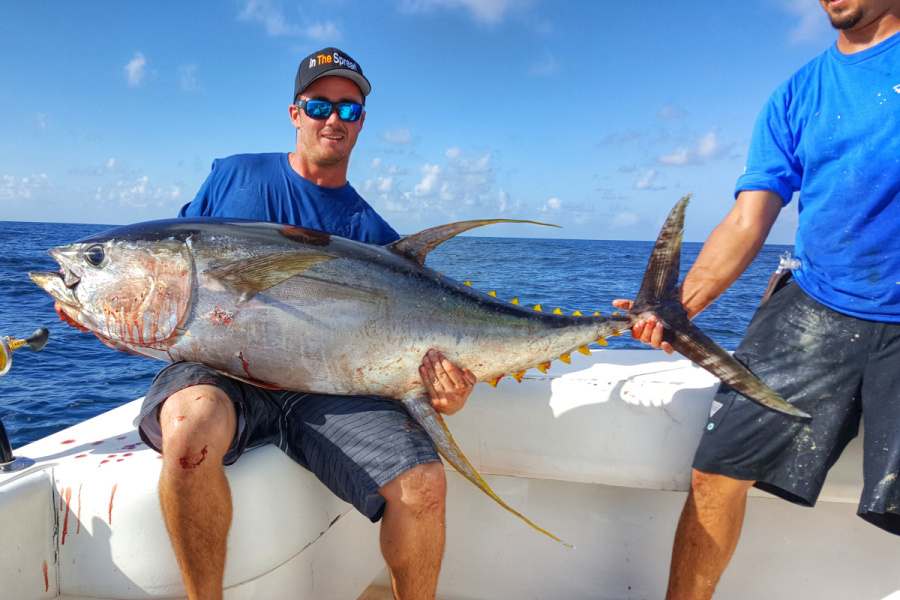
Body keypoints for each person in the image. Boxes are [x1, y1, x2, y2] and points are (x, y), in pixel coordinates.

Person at [135, 47, 477, 600]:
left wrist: (444, 390)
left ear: (363, 122)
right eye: (320, 105)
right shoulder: (234, 176)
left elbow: (410, 340)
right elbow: (173, 269)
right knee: (189, 432)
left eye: (349, 109)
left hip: (324, 390)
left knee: (423, 485)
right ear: (295, 112)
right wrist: (108, 307)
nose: (333, 120)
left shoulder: (372, 230)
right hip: (222, 370)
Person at [615, 1, 900, 597]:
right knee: (715, 472)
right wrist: (678, 306)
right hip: (819, 305)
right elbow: (750, 219)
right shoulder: (798, 94)